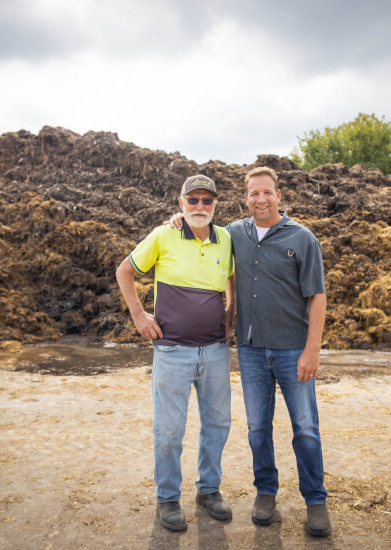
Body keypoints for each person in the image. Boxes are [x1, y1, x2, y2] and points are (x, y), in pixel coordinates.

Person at [170, 166, 330, 536]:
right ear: (246, 198)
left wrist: (313, 350)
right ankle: (266, 493)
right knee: (258, 428)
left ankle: (315, 500)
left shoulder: (303, 238)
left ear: (279, 196)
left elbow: (317, 296)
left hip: (293, 350)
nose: (261, 199)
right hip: (252, 350)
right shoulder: (234, 234)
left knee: (306, 428)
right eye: (254, 193)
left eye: (267, 192)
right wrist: (177, 220)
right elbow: (203, 233)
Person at [115, 175, 235, 532]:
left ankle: (208, 490)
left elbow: (232, 276)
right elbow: (124, 270)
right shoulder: (163, 235)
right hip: (173, 351)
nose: (200, 206)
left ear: (215, 205)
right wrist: (139, 315)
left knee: (218, 424)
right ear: (181, 203)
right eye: (192, 200)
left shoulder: (226, 239)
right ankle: (167, 498)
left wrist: (230, 308)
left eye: (207, 201)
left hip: (215, 350)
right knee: (169, 430)